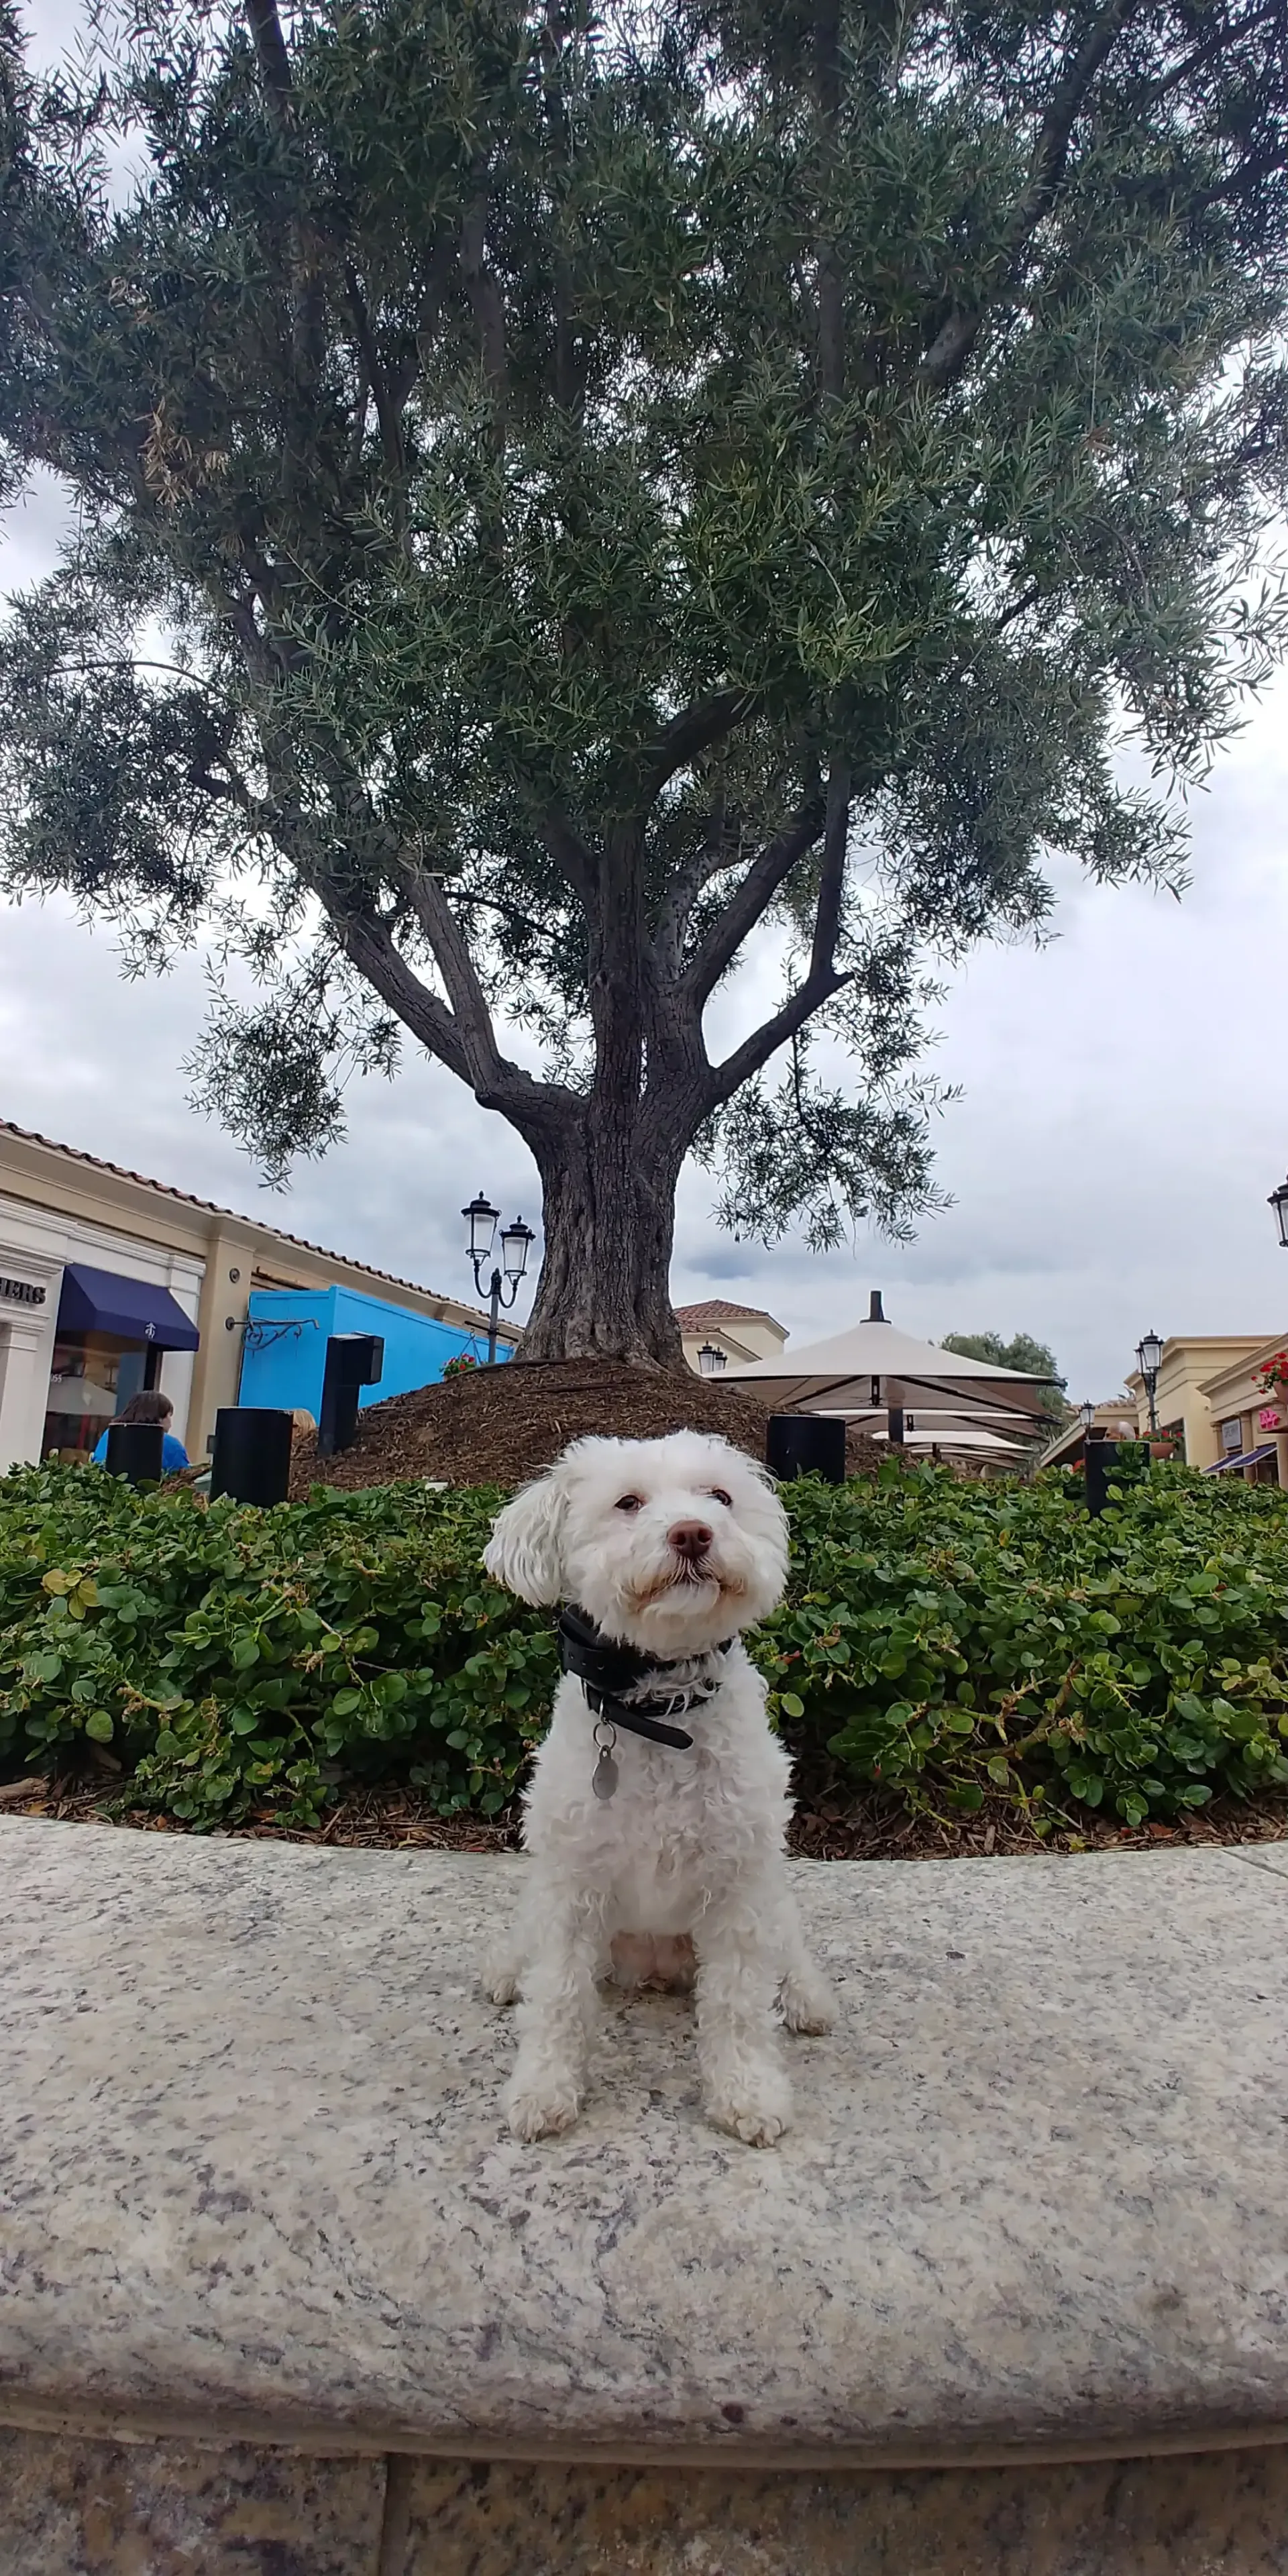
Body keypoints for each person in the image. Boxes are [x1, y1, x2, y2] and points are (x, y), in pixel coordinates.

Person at [92, 1389, 191, 1474]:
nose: (171, 1423)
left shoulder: (109, 1435)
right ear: (160, 1417)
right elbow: (184, 1479)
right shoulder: (171, 1445)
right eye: (169, 1415)